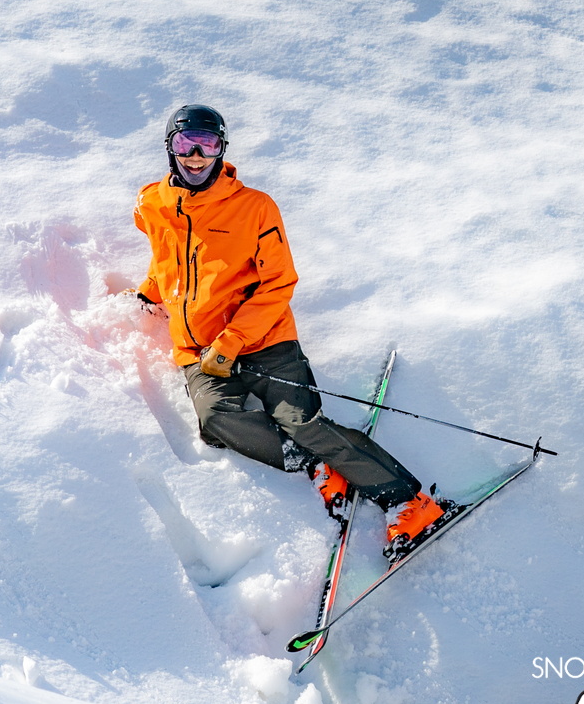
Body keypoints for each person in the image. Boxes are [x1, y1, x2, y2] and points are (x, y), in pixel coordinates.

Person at [131, 104, 445, 559]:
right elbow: (169, 256)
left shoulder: (254, 207)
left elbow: (280, 282)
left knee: (301, 422)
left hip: (264, 341)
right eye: (185, 144)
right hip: (197, 348)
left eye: (209, 144)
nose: (197, 156)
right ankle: (318, 466)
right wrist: (151, 291)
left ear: (222, 150)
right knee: (216, 421)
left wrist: (233, 341)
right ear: (169, 147)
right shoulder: (150, 204)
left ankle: (410, 502)